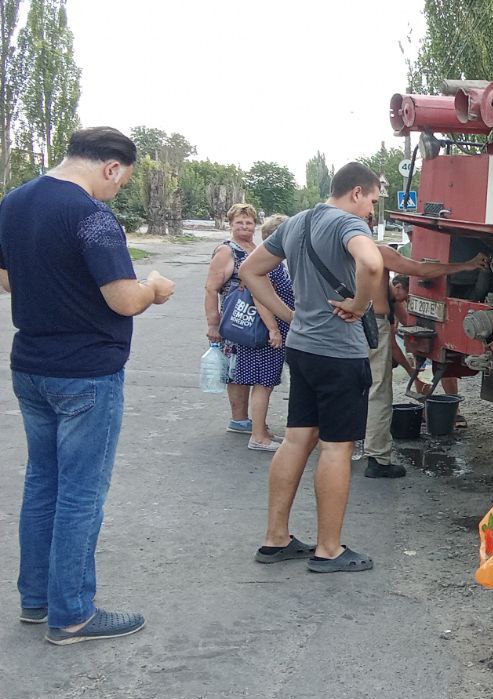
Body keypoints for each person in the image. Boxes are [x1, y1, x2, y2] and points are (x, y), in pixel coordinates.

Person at [0, 127, 175, 644]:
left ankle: (37, 600)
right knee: (80, 493)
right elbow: (124, 300)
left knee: (43, 484)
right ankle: (73, 613)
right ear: (110, 167)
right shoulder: (91, 215)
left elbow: (7, 279)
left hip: (30, 364)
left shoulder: (13, 202)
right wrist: (155, 289)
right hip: (85, 373)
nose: (116, 191)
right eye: (121, 182)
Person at [239, 162, 385, 573]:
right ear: (356, 192)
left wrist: (290, 315)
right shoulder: (347, 225)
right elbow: (371, 264)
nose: (372, 211)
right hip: (339, 353)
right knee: (337, 446)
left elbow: (249, 270)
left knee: (296, 440)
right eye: (372, 200)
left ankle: (276, 538)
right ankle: (329, 549)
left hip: (301, 349)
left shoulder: (298, 222)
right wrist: (358, 305)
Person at [362, 245, 485, 477]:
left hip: (337, 324)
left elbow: (394, 304)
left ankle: (339, 444)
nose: (371, 208)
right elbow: (419, 269)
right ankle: (377, 459)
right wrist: (466, 265)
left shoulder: (325, 242)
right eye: (370, 209)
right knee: (377, 390)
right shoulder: (373, 250)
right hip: (369, 322)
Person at [203, 204, 294, 451]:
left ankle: (247, 423)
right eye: (239, 222)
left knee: (245, 371)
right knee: (244, 372)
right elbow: (212, 288)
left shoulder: (256, 249)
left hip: (256, 321)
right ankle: (243, 422)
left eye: (249, 222)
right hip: (242, 320)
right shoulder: (226, 250)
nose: (244, 227)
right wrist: (214, 324)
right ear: (230, 224)